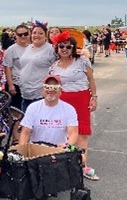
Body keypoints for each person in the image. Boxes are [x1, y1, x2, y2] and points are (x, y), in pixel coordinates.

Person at [49, 33, 99, 181]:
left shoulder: (82, 61)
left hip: (81, 99)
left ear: (73, 48)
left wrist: (94, 98)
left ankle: (82, 166)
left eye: (68, 46)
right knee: (65, 133)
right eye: (61, 46)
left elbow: (91, 80)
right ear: (57, 48)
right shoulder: (53, 67)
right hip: (62, 102)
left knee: (82, 134)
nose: (64, 49)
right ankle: (66, 164)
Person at [19, 74, 79, 148]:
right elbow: (25, 133)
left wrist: (67, 146)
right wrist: (21, 150)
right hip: (36, 150)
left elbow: (73, 133)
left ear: (60, 91)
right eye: (47, 87)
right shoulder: (33, 107)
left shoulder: (69, 109)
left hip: (59, 151)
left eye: (55, 87)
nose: (50, 90)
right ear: (42, 90)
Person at [18, 21, 57, 113]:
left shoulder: (50, 49)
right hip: (25, 93)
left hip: (40, 93)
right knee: (27, 124)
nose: (36, 35)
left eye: (40, 33)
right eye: (34, 33)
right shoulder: (28, 48)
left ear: (46, 36)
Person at [3, 23, 30, 111]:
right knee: (16, 112)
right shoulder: (11, 50)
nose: (23, 36)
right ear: (15, 35)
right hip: (16, 84)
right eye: (20, 34)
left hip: (31, 84)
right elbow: (8, 68)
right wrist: (11, 85)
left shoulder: (32, 48)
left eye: (25, 34)